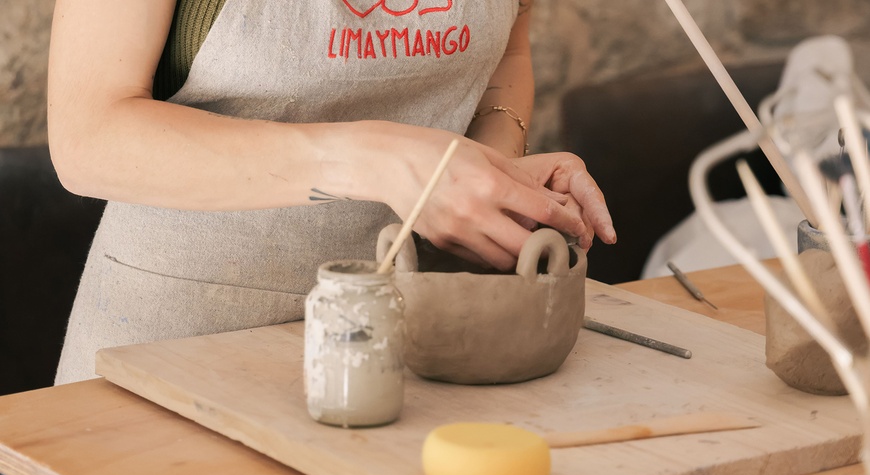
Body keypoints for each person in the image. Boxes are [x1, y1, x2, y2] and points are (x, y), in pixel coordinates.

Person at [47, 0, 617, 384]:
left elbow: (508, 53)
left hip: (424, 348)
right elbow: (89, 136)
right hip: (178, 353)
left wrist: (491, 178)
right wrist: (378, 160)